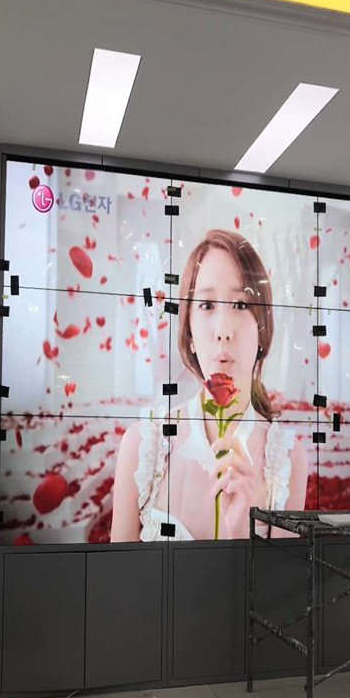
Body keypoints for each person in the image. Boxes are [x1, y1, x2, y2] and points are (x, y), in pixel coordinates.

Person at [111, 229, 308, 541]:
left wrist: (241, 532)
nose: (223, 330)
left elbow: (284, 575)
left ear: (262, 328)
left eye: (240, 305)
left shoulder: (286, 460)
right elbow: (115, 571)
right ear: (189, 331)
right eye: (206, 305)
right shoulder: (142, 447)